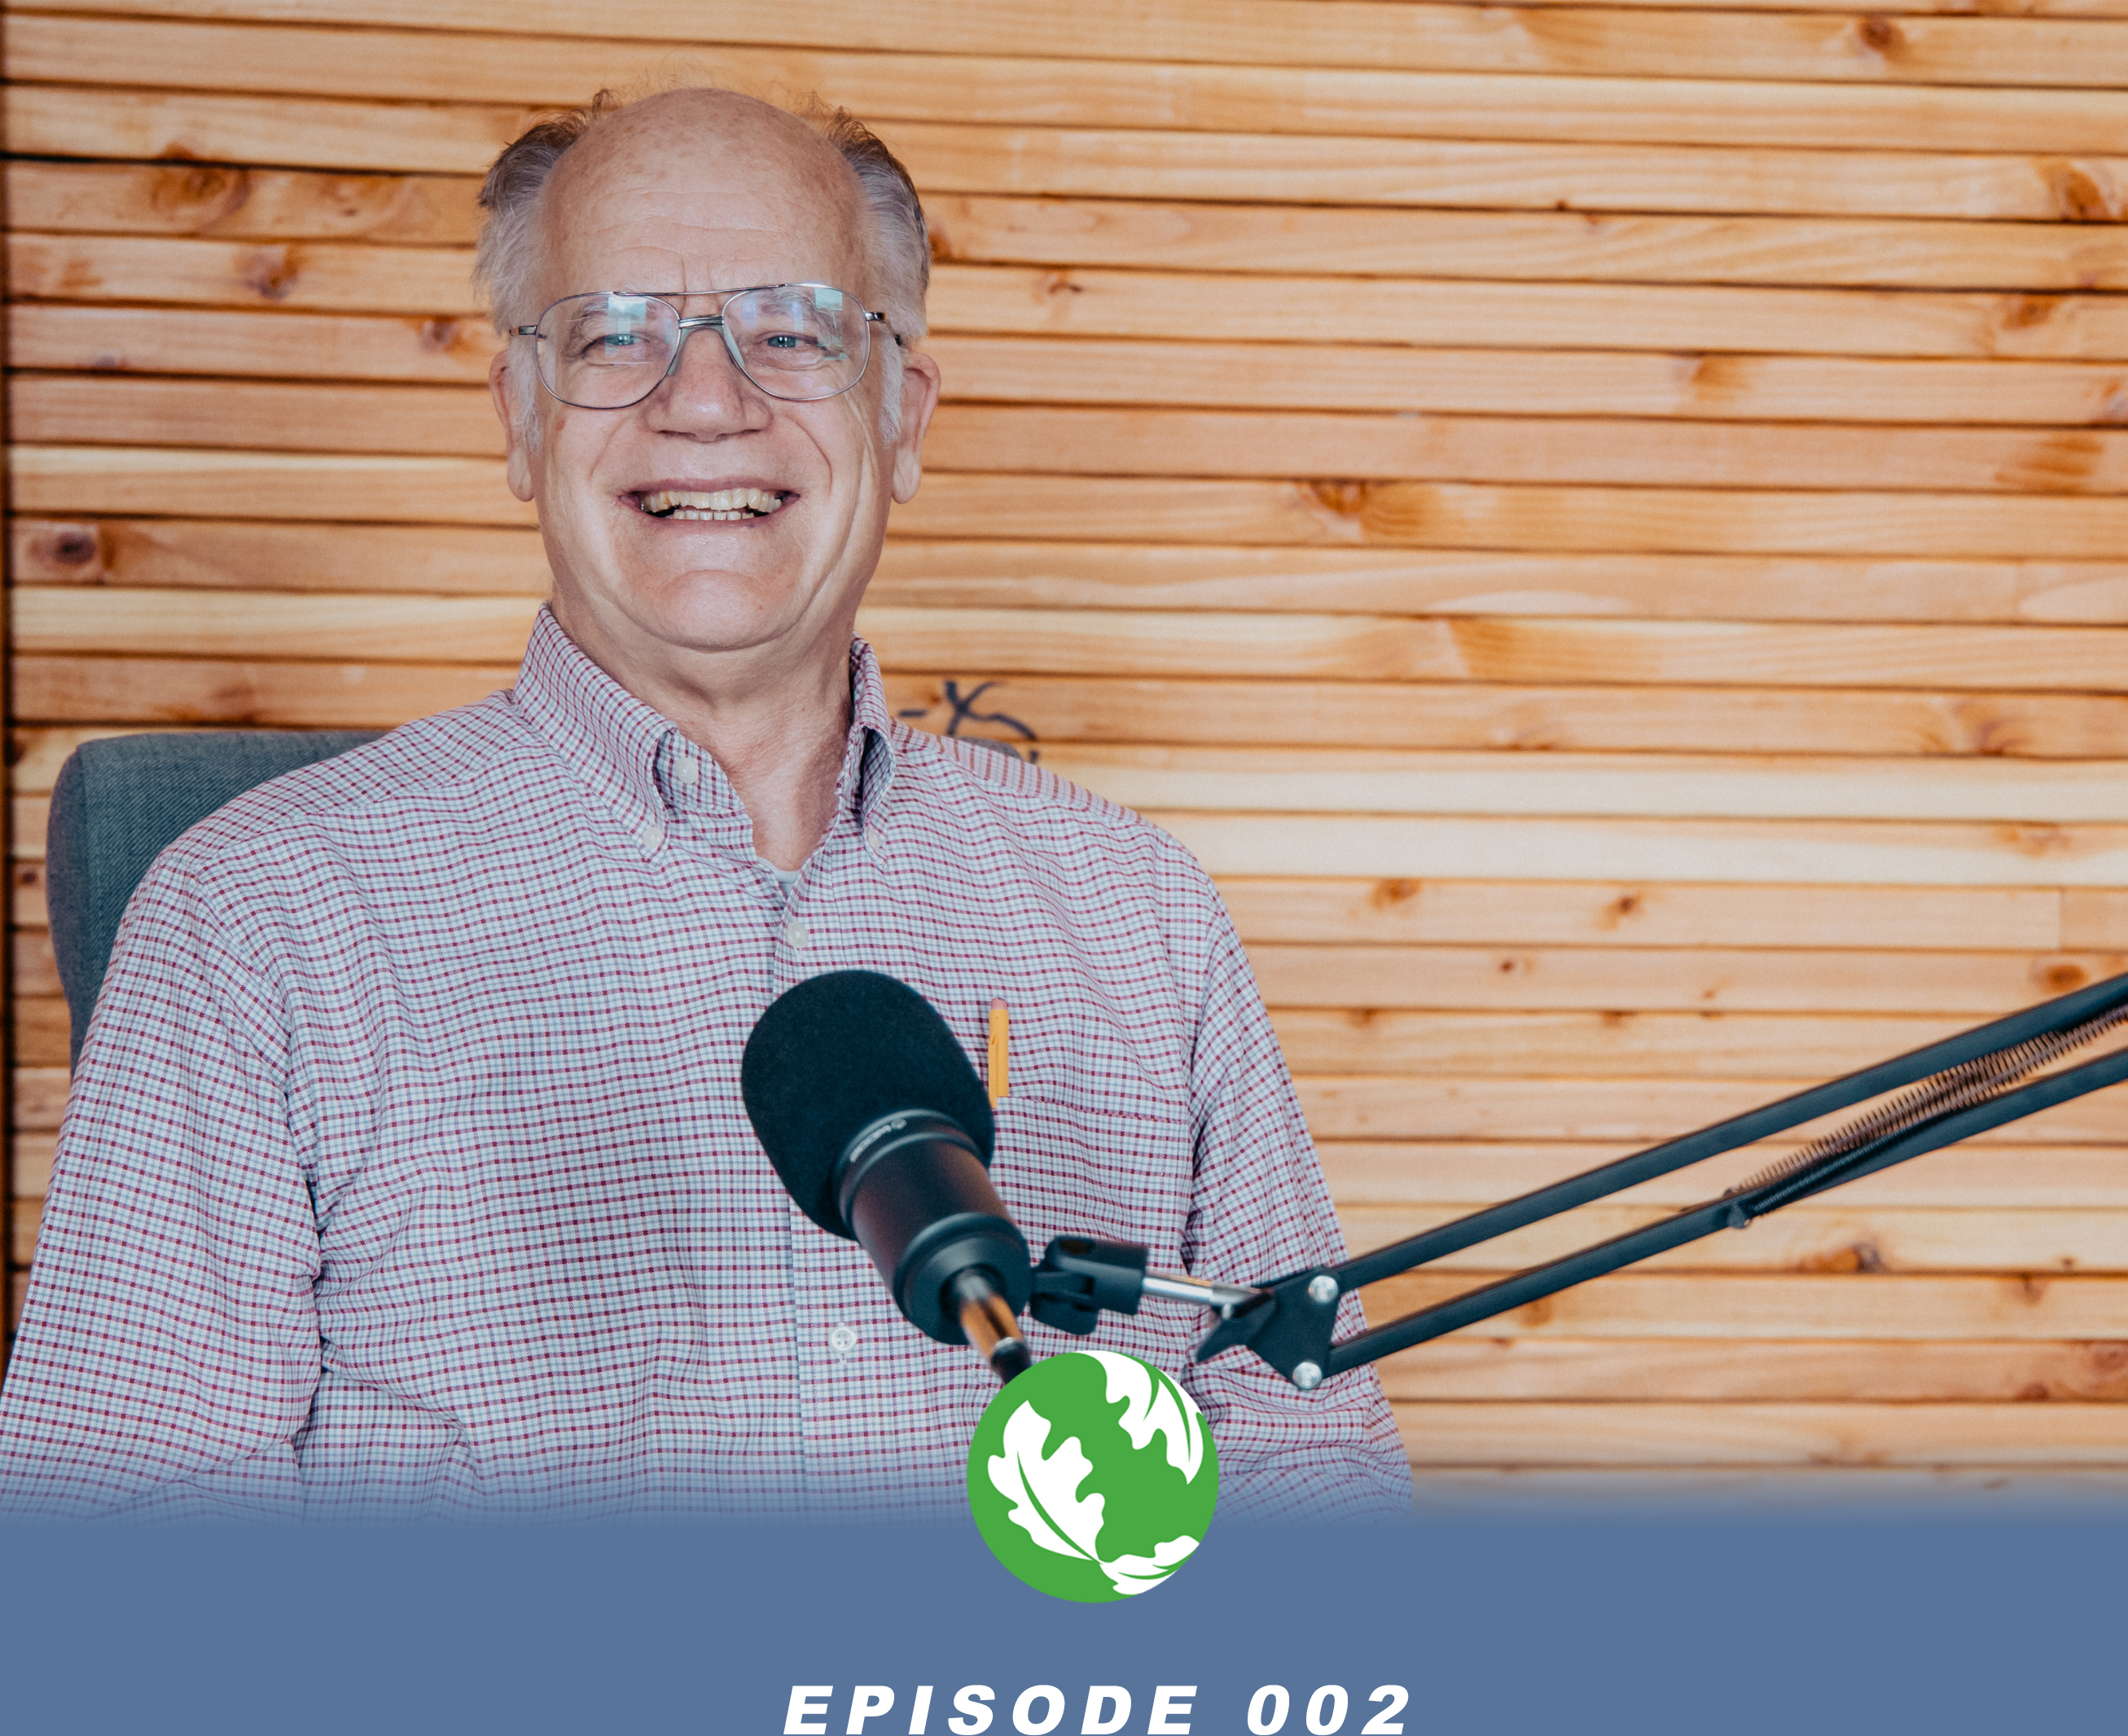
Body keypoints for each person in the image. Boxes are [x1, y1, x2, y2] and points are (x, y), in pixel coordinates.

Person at [0, 87, 1406, 1517]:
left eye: (791, 330)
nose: (707, 399)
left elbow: (1322, 1499)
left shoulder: (1138, 914)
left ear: (901, 416)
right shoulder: (257, 921)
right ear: (522, 419)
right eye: (617, 335)